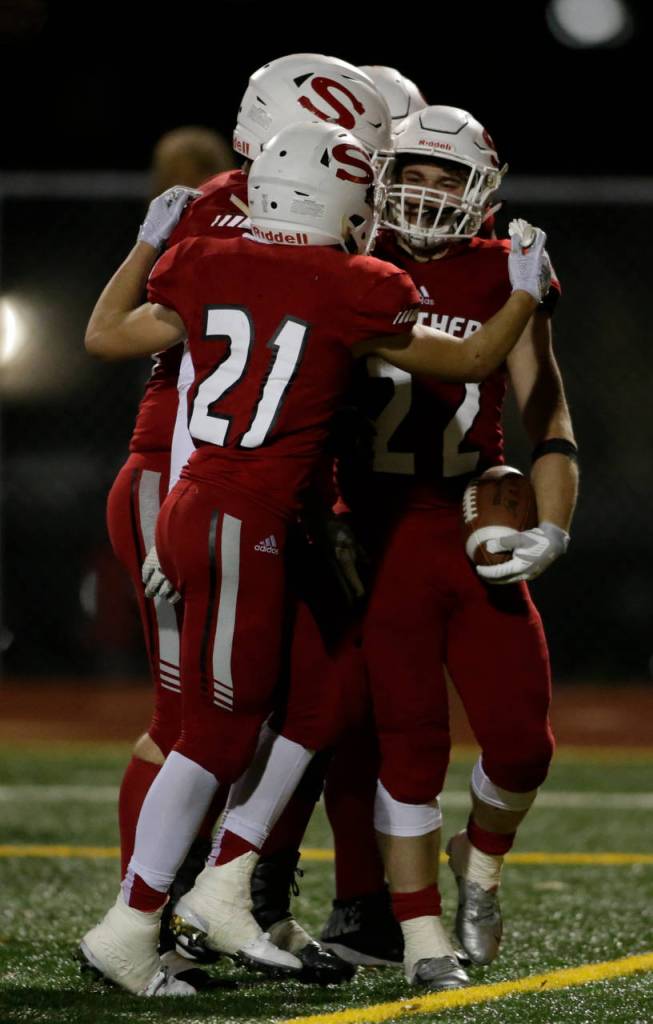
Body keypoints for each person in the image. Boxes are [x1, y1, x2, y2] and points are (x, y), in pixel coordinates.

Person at [78, 119, 548, 998]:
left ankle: (224, 883)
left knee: (325, 689)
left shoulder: (203, 260)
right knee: (215, 730)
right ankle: (132, 925)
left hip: (203, 500)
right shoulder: (355, 282)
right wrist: (520, 294)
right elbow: (477, 357)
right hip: (248, 515)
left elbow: (106, 336)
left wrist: (146, 241)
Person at [106, 53, 393, 986]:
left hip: (275, 493)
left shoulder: (273, 212)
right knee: (194, 719)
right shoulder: (224, 214)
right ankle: (140, 920)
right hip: (191, 474)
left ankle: (236, 899)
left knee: (310, 697)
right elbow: (174, 368)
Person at [323, 104, 578, 981]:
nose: (428, 197)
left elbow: (547, 414)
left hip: (475, 512)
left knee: (522, 745)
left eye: (446, 179)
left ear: (480, 193)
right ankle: (424, 940)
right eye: (415, 176)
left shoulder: (505, 269)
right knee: (408, 743)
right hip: (379, 528)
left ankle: (480, 871)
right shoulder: (347, 265)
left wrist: (551, 528)